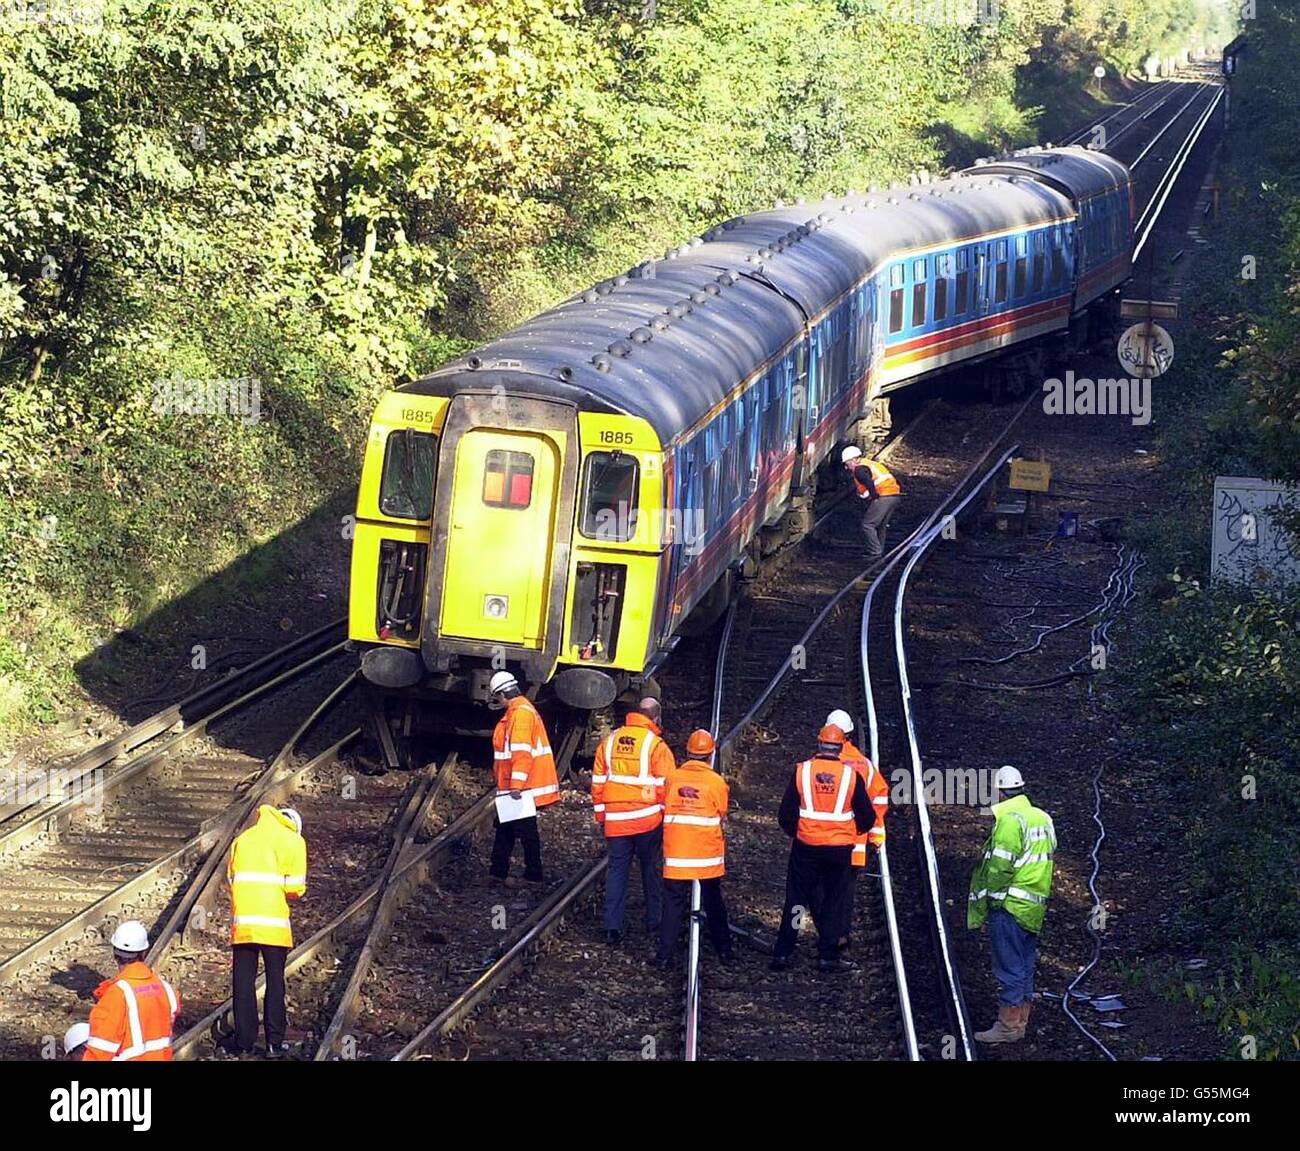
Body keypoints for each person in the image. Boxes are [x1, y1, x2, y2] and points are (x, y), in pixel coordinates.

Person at [772, 725, 875, 973]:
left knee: (796, 899)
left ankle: (785, 951)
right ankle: (827, 955)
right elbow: (867, 816)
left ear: (819, 745)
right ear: (841, 747)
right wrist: (851, 832)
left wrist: (800, 834)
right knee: (833, 901)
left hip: (806, 847)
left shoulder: (803, 771)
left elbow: (785, 814)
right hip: (839, 850)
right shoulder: (851, 776)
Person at [968, 765, 1056, 1043]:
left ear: (999, 791)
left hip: (1010, 905)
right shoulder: (1042, 817)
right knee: (1025, 965)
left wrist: (991, 902)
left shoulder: (1009, 820)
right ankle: (1019, 1025)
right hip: (1033, 907)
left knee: (1008, 967)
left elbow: (999, 868)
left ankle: (1006, 1028)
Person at [226, 805, 307, 1057]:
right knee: (274, 981)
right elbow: (295, 888)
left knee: (243, 982)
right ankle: (274, 1043)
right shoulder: (294, 841)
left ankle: (244, 1041)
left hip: (245, 924)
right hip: (274, 925)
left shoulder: (243, 839)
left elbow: (231, 880)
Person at [592, 697, 673, 946]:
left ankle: (612, 928)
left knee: (617, 872)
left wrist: (602, 816)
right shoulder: (656, 746)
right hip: (648, 822)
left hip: (616, 822)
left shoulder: (609, 742)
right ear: (655, 718)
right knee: (651, 870)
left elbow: (597, 782)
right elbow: (667, 786)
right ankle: (654, 922)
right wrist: (662, 817)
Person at [655, 730, 733, 968]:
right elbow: (721, 812)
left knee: (672, 904)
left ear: (688, 753)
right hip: (706, 856)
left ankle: (664, 955)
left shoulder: (672, 778)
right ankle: (725, 950)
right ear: (711, 754)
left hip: (677, 854)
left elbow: (661, 804)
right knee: (714, 902)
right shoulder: (717, 782)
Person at [487, 670, 559, 887]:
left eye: (497, 698)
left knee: (525, 831)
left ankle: (532, 875)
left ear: (502, 694)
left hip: (522, 787)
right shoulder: (519, 712)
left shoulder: (521, 714)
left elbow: (521, 753)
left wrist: (516, 786)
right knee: (506, 828)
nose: (497, 702)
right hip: (515, 786)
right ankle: (498, 872)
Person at [825, 709, 889, 950]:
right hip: (854, 845)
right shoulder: (864, 765)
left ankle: (826, 936)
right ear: (851, 734)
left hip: (821, 842)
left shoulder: (819, 763)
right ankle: (840, 935)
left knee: (823, 888)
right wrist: (874, 832)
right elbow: (879, 798)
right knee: (845, 891)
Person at [82, 920, 180, 1060]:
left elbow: (100, 1051)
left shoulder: (117, 995)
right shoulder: (167, 990)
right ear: (144, 953)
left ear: (115, 954)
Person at [841, 445, 902, 558]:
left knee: (867, 525)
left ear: (854, 460)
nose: (847, 467)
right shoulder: (869, 463)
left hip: (884, 496)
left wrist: (873, 495)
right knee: (881, 525)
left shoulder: (859, 469)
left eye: (847, 463)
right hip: (894, 495)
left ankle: (875, 552)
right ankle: (879, 550)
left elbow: (868, 481)